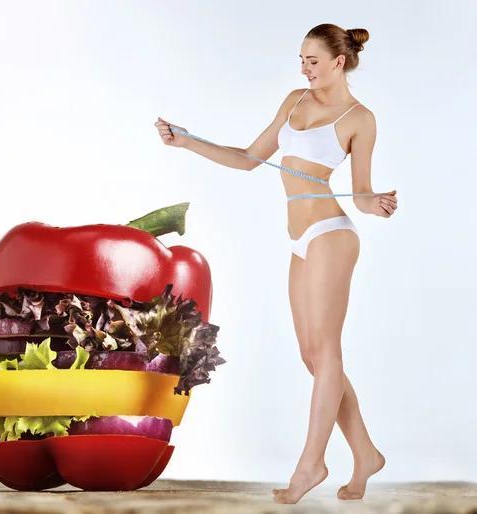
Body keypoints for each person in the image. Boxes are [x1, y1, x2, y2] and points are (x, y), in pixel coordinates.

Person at [154, 23, 397, 504]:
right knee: (313, 356)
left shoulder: (358, 118)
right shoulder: (294, 100)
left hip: (332, 233)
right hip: (299, 239)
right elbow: (248, 159)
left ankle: (311, 464)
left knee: (327, 352)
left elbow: (364, 191)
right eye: (301, 60)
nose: (304, 68)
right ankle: (366, 453)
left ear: (338, 62)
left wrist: (377, 205)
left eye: (312, 61)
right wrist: (188, 142)